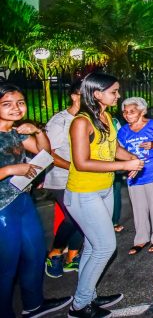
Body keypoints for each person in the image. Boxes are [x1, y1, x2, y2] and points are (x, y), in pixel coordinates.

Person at [66, 73, 145, 317]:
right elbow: (81, 162)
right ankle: (79, 305)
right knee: (105, 247)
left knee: (92, 247)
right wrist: (123, 166)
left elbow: (113, 149)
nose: (118, 95)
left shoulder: (105, 116)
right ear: (97, 94)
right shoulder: (81, 122)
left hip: (104, 188)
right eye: (114, 92)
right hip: (83, 192)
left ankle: (88, 295)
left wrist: (130, 157)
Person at [0, 84, 73, 318]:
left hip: (22, 199)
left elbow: (45, 156)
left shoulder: (16, 131)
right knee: (7, 264)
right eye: (7, 104)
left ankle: (34, 304)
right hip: (2, 207)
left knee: (35, 253)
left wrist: (38, 133)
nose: (16, 108)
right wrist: (12, 168)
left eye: (20, 102)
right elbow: (14, 168)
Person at [117, 97, 153, 255]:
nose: (127, 115)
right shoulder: (123, 131)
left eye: (131, 111)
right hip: (134, 176)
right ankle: (141, 239)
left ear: (142, 111)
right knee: (138, 208)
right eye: (125, 112)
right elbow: (118, 152)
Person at [44, 80, 84, 278]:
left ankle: (72, 257)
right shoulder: (60, 121)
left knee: (83, 219)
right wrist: (74, 167)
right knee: (72, 217)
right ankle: (55, 253)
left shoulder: (89, 118)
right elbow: (47, 152)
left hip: (84, 178)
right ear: (74, 96)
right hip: (61, 177)